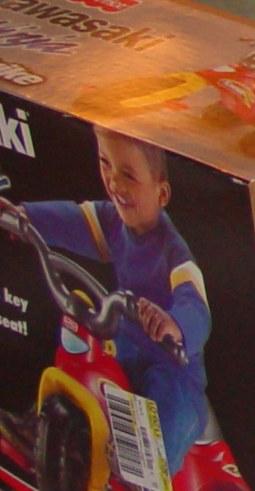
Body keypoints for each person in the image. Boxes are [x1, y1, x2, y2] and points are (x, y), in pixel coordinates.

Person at [25, 128, 211, 465]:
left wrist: (174, 326)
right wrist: (23, 217)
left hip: (170, 366)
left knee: (167, 414)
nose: (114, 183)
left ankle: (145, 472)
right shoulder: (113, 221)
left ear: (162, 193)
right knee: (85, 362)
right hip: (122, 351)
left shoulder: (174, 253)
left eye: (128, 175)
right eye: (105, 164)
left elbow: (195, 306)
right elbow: (68, 220)